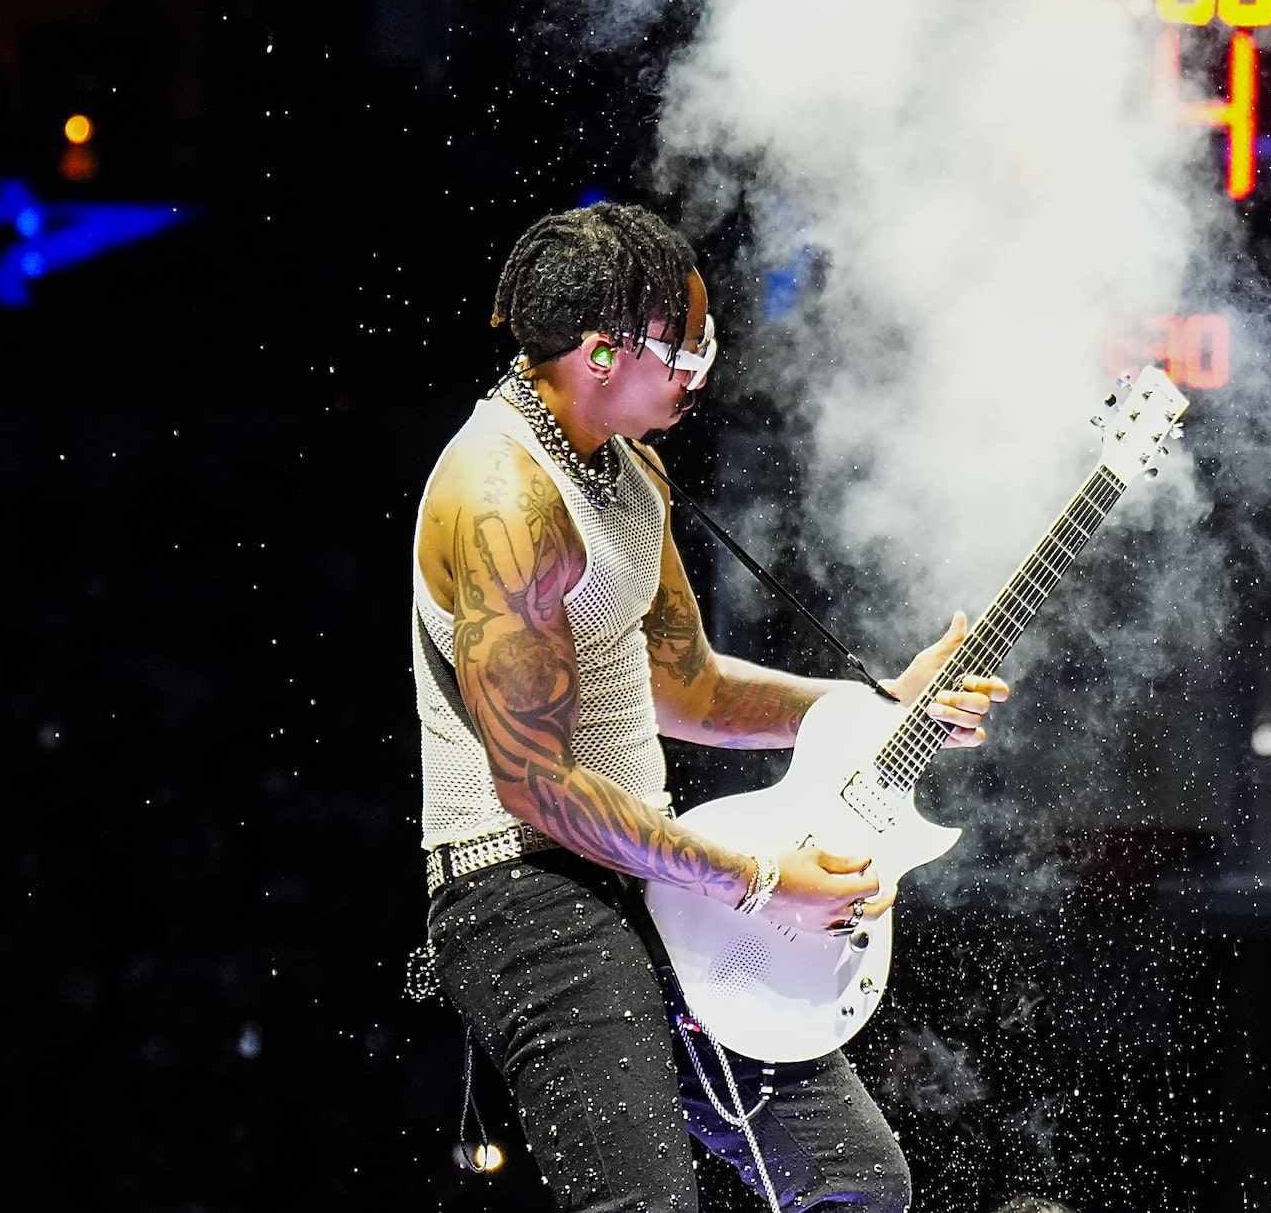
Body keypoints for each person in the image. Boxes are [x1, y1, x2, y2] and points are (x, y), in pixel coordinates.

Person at [413, 201, 1006, 1212]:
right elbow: (537, 786)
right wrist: (763, 880)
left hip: (643, 871)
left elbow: (684, 685)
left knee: (856, 1185)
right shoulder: (505, 499)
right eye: (684, 347)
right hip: (525, 890)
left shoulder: (630, 463)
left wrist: (879, 701)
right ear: (602, 353)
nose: (701, 367)